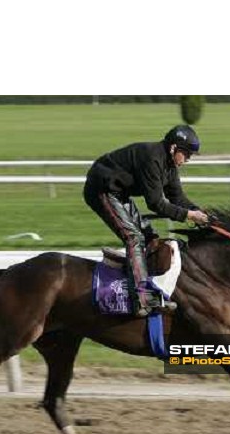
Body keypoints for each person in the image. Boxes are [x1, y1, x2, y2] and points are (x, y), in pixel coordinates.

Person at [83, 125, 210, 317]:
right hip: (101, 189)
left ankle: (145, 285)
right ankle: (141, 298)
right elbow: (156, 204)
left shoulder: (170, 166)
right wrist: (189, 216)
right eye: (186, 154)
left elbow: (177, 198)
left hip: (118, 192)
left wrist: (200, 212)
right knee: (133, 237)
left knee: (149, 236)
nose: (188, 159)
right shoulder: (153, 159)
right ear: (173, 148)